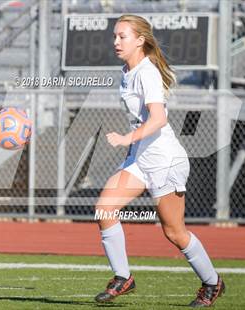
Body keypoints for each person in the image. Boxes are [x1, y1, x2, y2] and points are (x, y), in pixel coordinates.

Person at [94, 14, 225, 307]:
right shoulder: (126, 71)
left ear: (140, 40)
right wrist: (132, 149)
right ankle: (123, 278)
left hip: (165, 160)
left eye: (122, 36)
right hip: (141, 158)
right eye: (114, 36)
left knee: (174, 232)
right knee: (104, 210)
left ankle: (212, 283)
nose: (115, 42)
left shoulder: (146, 72)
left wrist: (127, 138)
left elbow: (158, 118)